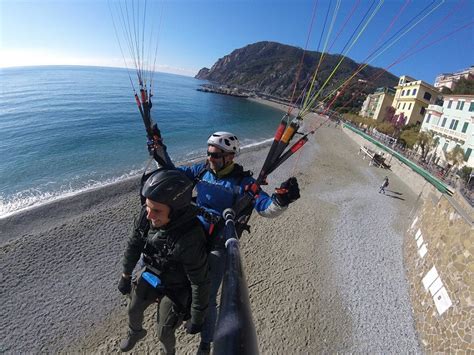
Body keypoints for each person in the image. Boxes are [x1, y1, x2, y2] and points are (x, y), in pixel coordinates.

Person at [178, 131, 301, 354]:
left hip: (219, 245)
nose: (210, 158)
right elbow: (175, 173)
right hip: (194, 238)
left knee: (209, 297)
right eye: (208, 153)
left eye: (215, 155)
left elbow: (265, 208)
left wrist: (282, 200)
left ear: (229, 157)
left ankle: (206, 343)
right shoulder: (201, 171)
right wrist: (159, 152)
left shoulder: (244, 183)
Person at [117, 169, 210, 354]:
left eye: (157, 210)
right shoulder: (146, 216)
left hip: (177, 285)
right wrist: (125, 275)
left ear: (175, 211)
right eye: (148, 206)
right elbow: (133, 245)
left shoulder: (189, 239)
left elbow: (199, 282)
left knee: (164, 331)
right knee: (133, 309)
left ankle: (168, 352)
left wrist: (197, 317)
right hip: (153, 271)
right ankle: (135, 332)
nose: (150, 215)